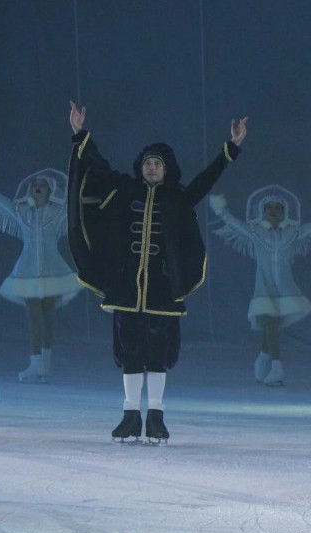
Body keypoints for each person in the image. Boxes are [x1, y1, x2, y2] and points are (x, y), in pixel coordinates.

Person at [65, 101, 247, 443]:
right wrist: (81, 133)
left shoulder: (177, 197)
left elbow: (206, 180)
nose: (151, 168)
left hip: (162, 289)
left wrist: (231, 149)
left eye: (157, 164)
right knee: (131, 352)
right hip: (127, 288)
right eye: (148, 163)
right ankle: (130, 415)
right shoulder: (126, 189)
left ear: (167, 169)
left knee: (157, 355)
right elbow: (98, 166)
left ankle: (157, 417)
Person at [209, 185, 311, 386]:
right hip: (263, 289)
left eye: (278, 208)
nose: (273, 211)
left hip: (285, 291)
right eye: (269, 208)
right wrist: (220, 209)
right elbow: (233, 223)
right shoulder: (255, 232)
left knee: (270, 329)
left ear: (284, 212)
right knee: (271, 326)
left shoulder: (291, 233)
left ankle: (262, 358)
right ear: (262, 211)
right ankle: (276, 368)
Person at [0, 167, 83, 382]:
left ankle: (44, 365)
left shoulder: (57, 212)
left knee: (48, 319)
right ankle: (35, 364)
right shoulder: (21, 211)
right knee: (34, 318)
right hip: (27, 271)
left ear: (50, 190)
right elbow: (0, 203)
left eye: (42, 185)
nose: (38, 188)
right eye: (35, 185)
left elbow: (76, 205)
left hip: (53, 271)